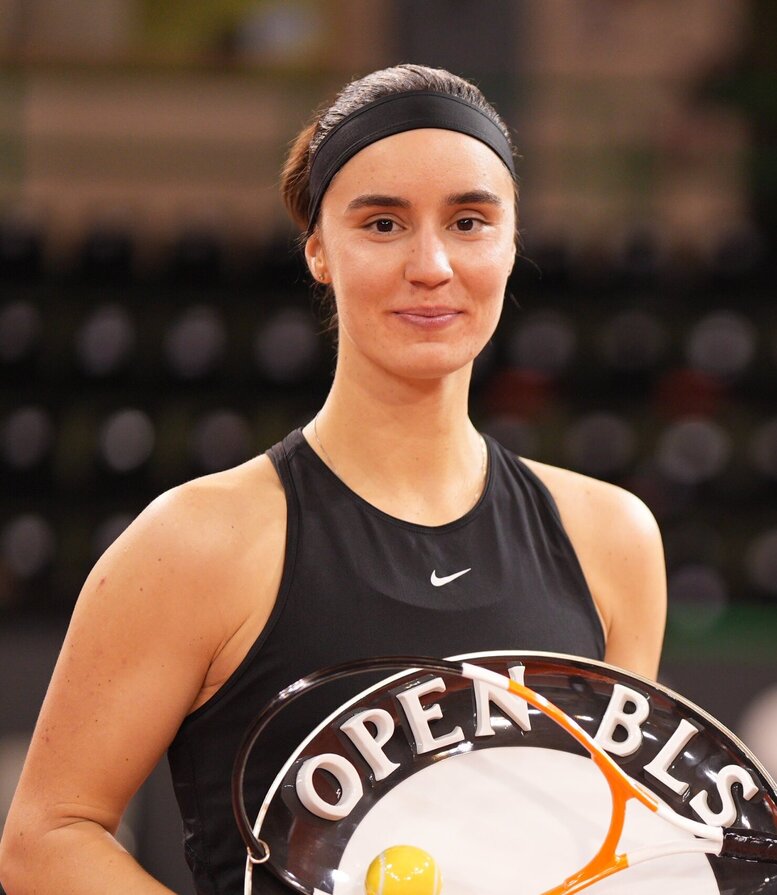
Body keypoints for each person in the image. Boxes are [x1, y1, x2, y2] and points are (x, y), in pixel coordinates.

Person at [0, 64, 666, 895]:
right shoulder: (198, 541)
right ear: (318, 248)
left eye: (468, 221)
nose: (431, 264)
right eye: (383, 223)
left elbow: (612, 850)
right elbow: (46, 837)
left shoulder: (610, 539)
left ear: (510, 241)